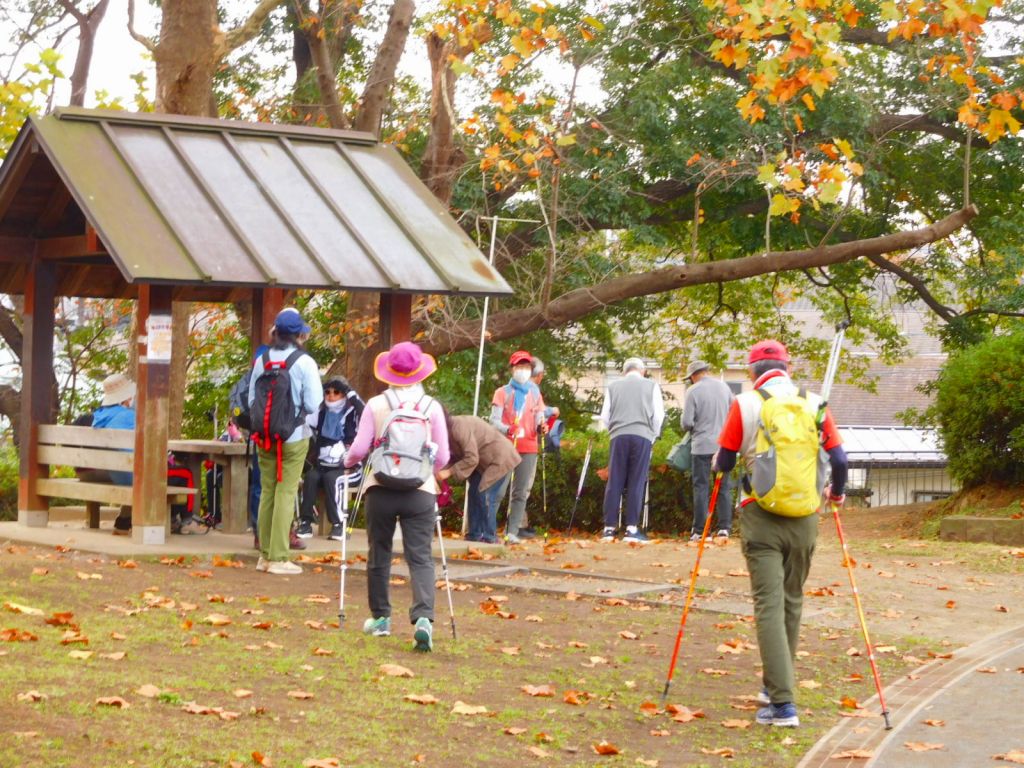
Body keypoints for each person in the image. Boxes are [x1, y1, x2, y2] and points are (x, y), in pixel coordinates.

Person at [712, 339, 847, 728]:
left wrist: (727, 467)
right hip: (805, 516)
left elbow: (723, 459)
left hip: (761, 515)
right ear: (787, 368)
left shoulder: (746, 403)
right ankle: (774, 688)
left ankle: (783, 704)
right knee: (791, 601)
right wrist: (835, 494)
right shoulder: (815, 401)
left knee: (767, 605)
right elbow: (839, 458)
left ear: (753, 372)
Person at [344, 341, 449, 652]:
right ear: (420, 372)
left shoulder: (376, 404)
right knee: (420, 557)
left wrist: (347, 461)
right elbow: (442, 457)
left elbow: (360, 450)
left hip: (380, 487)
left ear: (389, 371)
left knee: (380, 552)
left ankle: (380, 619)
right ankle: (423, 619)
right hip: (420, 490)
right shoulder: (432, 407)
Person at [248, 308, 323, 576]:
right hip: (292, 437)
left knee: (268, 490)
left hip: (264, 436)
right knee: (286, 492)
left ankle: (265, 555)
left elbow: (251, 401)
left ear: (276, 332)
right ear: (299, 334)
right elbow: (314, 403)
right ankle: (279, 556)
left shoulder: (262, 360)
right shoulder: (304, 362)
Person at [88, 373, 203, 536]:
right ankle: (187, 521)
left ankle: (124, 521)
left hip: (117, 475)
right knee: (185, 474)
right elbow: (152, 444)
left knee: (137, 478)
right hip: (135, 475)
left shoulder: (99, 418)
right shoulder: (129, 416)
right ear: (127, 397)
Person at [599, 357, 664, 543]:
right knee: (636, 480)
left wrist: (613, 431)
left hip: (618, 436)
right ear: (642, 371)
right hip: (642, 435)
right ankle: (631, 529)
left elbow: (605, 416)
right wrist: (652, 436)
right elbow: (658, 416)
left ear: (624, 371)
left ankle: (609, 528)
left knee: (615, 480)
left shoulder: (613, 387)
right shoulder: (651, 386)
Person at [296, 376, 365, 541]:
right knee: (311, 478)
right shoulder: (320, 413)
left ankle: (338, 524)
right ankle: (305, 522)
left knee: (332, 479)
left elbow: (365, 411)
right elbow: (302, 419)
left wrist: (349, 391)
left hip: (349, 468)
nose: (331, 396)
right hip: (323, 465)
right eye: (327, 392)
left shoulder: (353, 412)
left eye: (337, 392)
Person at [439, 408, 520, 544]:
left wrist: (448, 472)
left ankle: (490, 537)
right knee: (474, 494)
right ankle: (474, 534)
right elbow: (453, 456)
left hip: (499, 458)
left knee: (485, 494)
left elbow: (471, 458)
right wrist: (441, 469)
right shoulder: (446, 430)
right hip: (482, 462)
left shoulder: (459, 428)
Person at [490, 350, 546, 543]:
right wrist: (507, 429)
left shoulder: (535, 392)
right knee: (498, 490)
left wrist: (542, 426)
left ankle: (512, 531)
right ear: (512, 369)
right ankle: (488, 530)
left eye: (526, 367)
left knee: (521, 492)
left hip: (529, 445)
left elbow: (540, 416)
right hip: (506, 446)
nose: (522, 371)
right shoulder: (502, 392)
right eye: (519, 367)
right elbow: (494, 420)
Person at [681, 360, 736, 542]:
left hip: (701, 445)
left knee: (701, 487)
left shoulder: (693, 391)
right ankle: (724, 528)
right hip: (723, 446)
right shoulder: (724, 388)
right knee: (724, 487)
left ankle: (700, 530)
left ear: (694, 375)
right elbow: (734, 413)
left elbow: (687, 422)